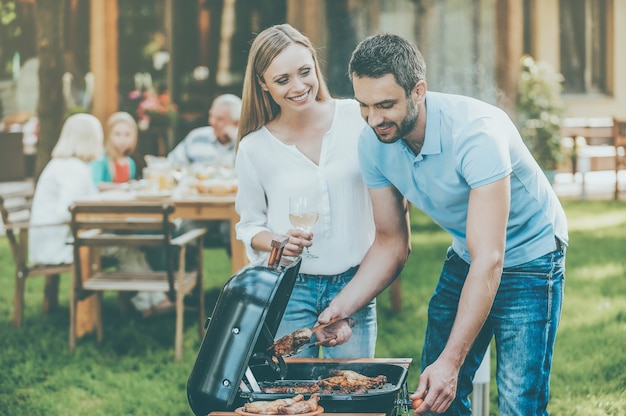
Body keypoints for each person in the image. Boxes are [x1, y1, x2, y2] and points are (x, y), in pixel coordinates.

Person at [315, 33, 568, 415]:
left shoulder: (476, 135)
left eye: (385, 105)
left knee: (520, 403)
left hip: (531, 258)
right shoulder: (373, 143)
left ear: (418, 91)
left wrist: (452, 362)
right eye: (364, 105)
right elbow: (390, 243)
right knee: (433, 398)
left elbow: (490, 258)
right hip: (470, 251)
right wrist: (341, 308)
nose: (374, 119)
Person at [234, 23, 377, 358]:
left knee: (353, 399)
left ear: (315, 64)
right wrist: (279, 242)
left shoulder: (355, 119)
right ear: (263, 85)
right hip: (290, 289)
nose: (298, 87)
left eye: (304, 72)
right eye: (282, 80)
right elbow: (249, 226)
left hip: (354, 284)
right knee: (294, 398)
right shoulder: (254, 148)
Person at [167, 94, 241, 167]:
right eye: (211, 116)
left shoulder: (243, 145)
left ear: (236, 123)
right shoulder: (196, 137)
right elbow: (172, 162)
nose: (212, 122)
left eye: (220, 119)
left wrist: (236, 139)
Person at [91, 111, 138, 191]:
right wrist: (122, 187)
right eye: (117, 134)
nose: (122, 140)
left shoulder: (130, 163)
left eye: (127, 134)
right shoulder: (101, 159)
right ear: (109, 135)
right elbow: (96, 184)